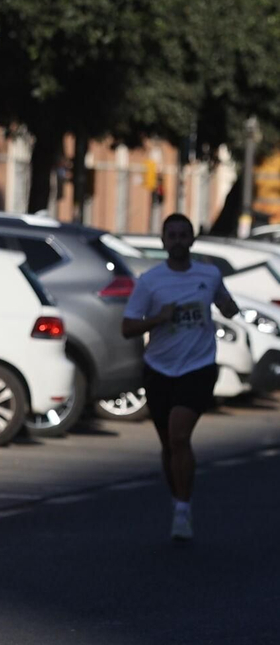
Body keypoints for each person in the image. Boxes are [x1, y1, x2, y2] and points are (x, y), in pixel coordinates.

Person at [121, 212, 239, 541]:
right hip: (159, 368)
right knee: (168, 444)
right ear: (162, 241)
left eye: (183, 235)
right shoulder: (150, 281)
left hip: (198, 367)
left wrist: (231, 308)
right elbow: (128, 328)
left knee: (178, 436)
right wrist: (158, 318)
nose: (177, 241)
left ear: (192, 239)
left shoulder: (209, 274)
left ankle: (183, 510)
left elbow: (226, 304)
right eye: (171, 235)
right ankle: (178, 498)